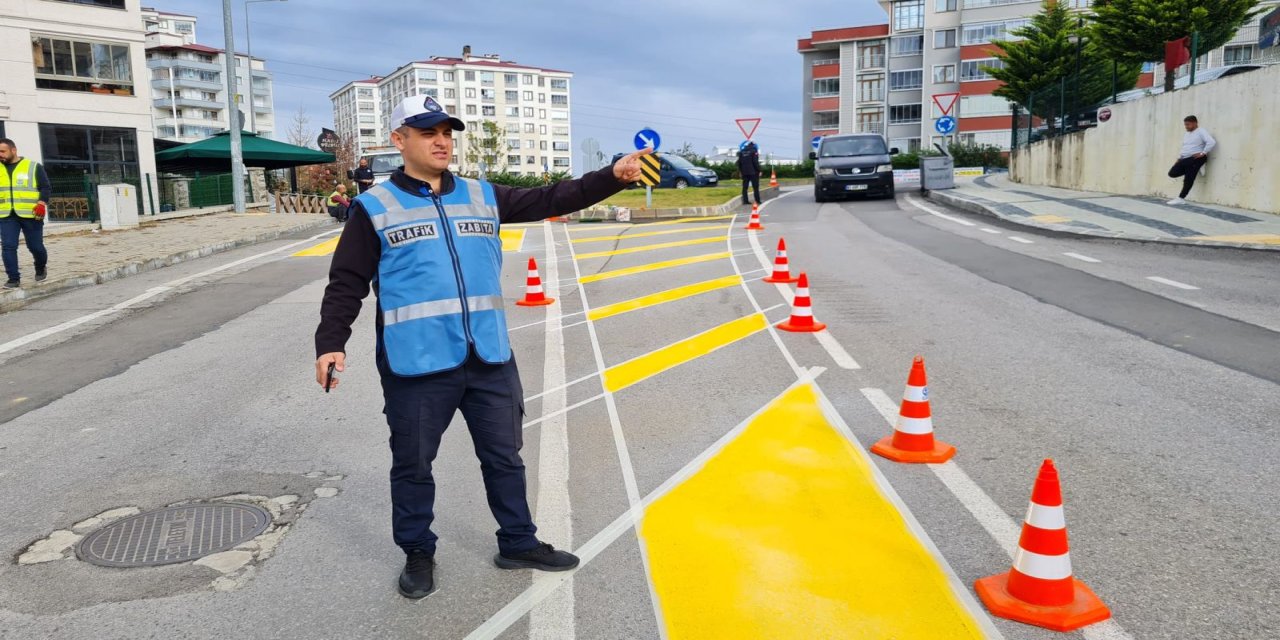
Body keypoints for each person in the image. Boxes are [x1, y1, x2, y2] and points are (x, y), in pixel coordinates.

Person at [313, 95, 649, 600]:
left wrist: (611, 176)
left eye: (447, 131)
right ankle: (418, 552)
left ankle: (518, 541)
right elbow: (347, 282)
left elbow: (552, 198)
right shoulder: (374, 208)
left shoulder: (481, 195)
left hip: (488, 357)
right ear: (399, 140)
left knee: (505, 456)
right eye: (428, 132)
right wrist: (331, 343)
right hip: (418, 363)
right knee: (413, 464)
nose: (442, 141)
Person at [0, 138, 50, 289]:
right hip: (6, 215)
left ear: (13, 150)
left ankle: (40, 266)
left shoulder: (33, 167)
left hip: (31, 215)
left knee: (35, 246)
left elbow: (45, 187)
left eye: (2, 151)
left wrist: (42, 202)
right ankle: (13, 279)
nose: (0, 155)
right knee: (8, 246)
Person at [1166, 115, 1215, 206]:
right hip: (1185, 158)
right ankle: (1197, 167)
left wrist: (1203, 153)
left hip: (1196, 158)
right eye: (1185, 125)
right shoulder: (1187, 134)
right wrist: (1179, 158)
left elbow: (1211, 142)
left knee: (1189, 178)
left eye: (1188, 124)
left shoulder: (1201, 131)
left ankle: (1181, 198)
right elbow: (1185, 147)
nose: (1186, 127)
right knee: (1172, 173)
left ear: (1195, 123)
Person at [737, 141, 761, 205]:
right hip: (753, 172)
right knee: (755, 187)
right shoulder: (754, 151)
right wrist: (759, 170)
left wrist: (740, 171)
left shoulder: (742, 152)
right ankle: (757, 200)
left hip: (744, 172)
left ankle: (745, 201)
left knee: (745, 187)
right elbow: (755, 162)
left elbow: (739, 163)